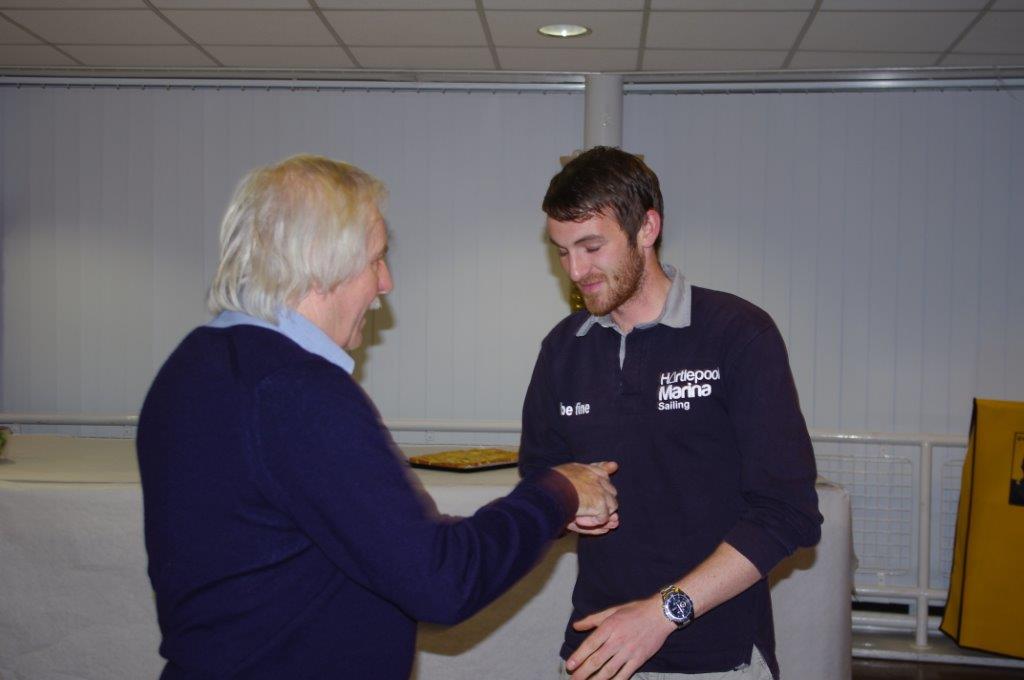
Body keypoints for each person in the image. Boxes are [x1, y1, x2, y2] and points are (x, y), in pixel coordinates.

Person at [136, 154, 620, 679]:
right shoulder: (297, 392)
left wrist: (537, 515)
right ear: (322, 263)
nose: (385, 283)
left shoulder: (191, 367)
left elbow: (373, 545)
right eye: (376, 259)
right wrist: (557, 493)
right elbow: (440, 580)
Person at [519, 147, 823, 680]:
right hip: (598, 647)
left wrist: (661, 614)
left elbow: (787, 513)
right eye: (562, 252)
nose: (575, 270)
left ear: (646, 228)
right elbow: (539, 480)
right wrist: (564, 506)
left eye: (591, 247)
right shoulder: (563, 350)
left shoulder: (737, 334)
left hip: (716, 656)